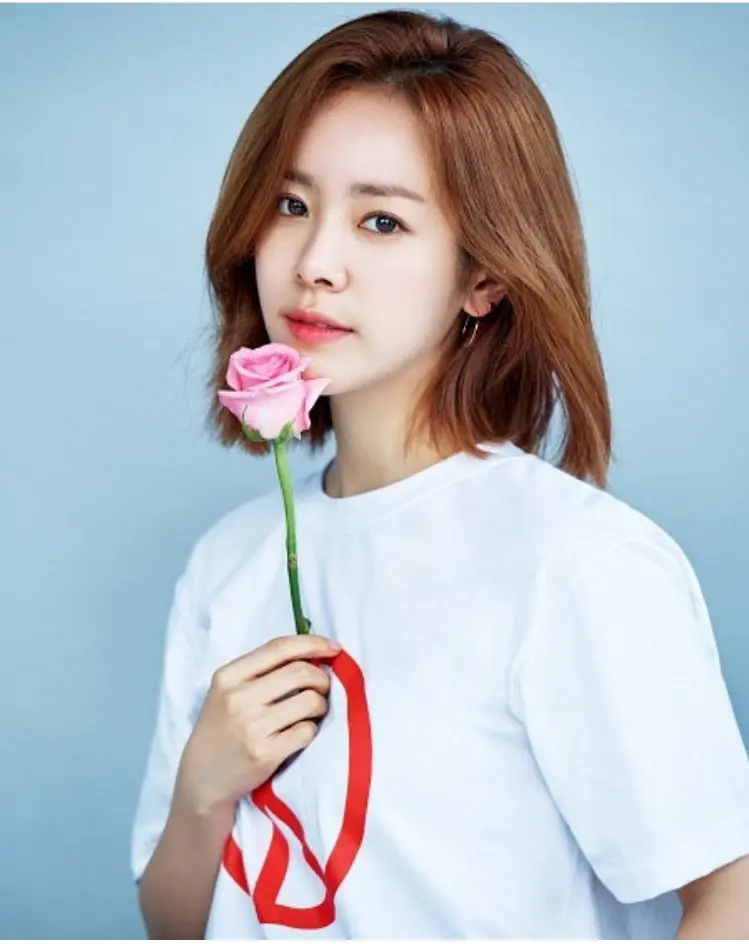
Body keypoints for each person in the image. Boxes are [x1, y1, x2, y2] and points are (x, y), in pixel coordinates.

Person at [130, 8, 749, 940]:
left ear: (482, 278)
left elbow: (728, 895)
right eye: (291, 205)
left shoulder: (577, 565)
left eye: (381, 221)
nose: (315, 263)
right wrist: (202, 791)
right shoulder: (229, 561)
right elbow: (173, 924)